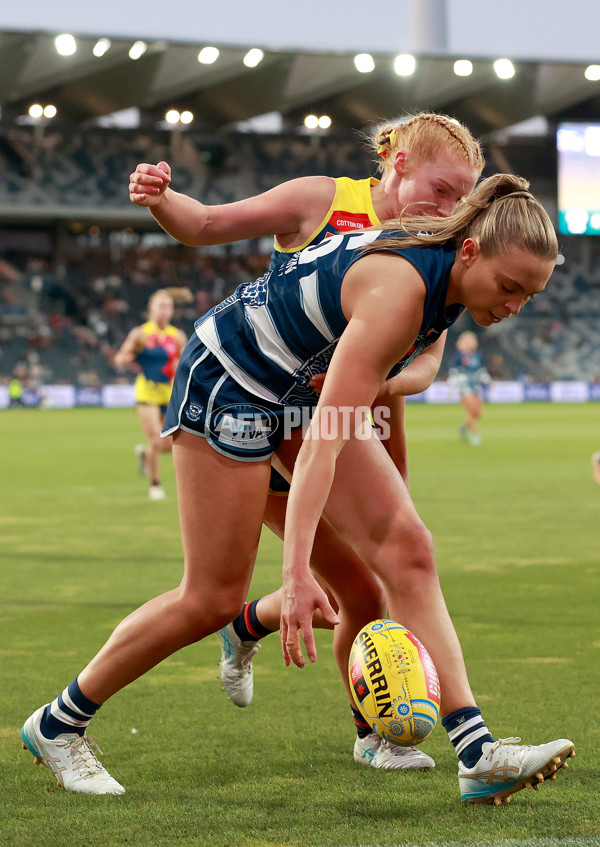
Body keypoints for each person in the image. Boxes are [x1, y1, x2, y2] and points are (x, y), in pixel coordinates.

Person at [21, 173, 574, 804]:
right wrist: (295, 575)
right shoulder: (401, 292)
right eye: (508, 288)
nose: (513, 307)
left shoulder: (451, 271)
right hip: (229, 385)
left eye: (529, 296)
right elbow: (325, 445)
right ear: (471, 252)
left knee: (408, 549)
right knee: (209, 597)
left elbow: (356, 404)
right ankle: (58, 724)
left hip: (296, 394)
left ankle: (477, 753)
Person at [128, 114, 484, 771]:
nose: (453, 207)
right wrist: (160, 197)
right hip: (271, 411)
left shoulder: (442, 245)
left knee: (375, 578)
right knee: (335, 581)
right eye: (443, 188)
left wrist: (381, 375)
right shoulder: (322, 200)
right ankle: (365, 714)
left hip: (362, 414)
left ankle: (271, 644)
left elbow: (428, 362)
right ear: (398, 163)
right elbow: (205, 224)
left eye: (464, 196)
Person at [113, 289, 188, 500]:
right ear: (151, 309)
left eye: (168, 307)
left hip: (169, 393)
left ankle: (144, 454)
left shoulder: (178, 335)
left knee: (167, 444)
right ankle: (155, 484)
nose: (164, 311)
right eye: (160, 306)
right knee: (156, 440)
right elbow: (120, 358)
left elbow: (184, 363)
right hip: (147, 392)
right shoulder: (140, 333)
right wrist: (130, 355)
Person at [447, 330, 490, 446]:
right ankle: (474, 435)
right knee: (473, 411)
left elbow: (481, 371)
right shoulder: (459, 356)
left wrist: (487, 380)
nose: (473, 343)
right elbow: (453, 372)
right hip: (464, 387)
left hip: (475, 386)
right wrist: (451, 387)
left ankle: (463, 427)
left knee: (477, 413)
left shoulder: (477, 356)